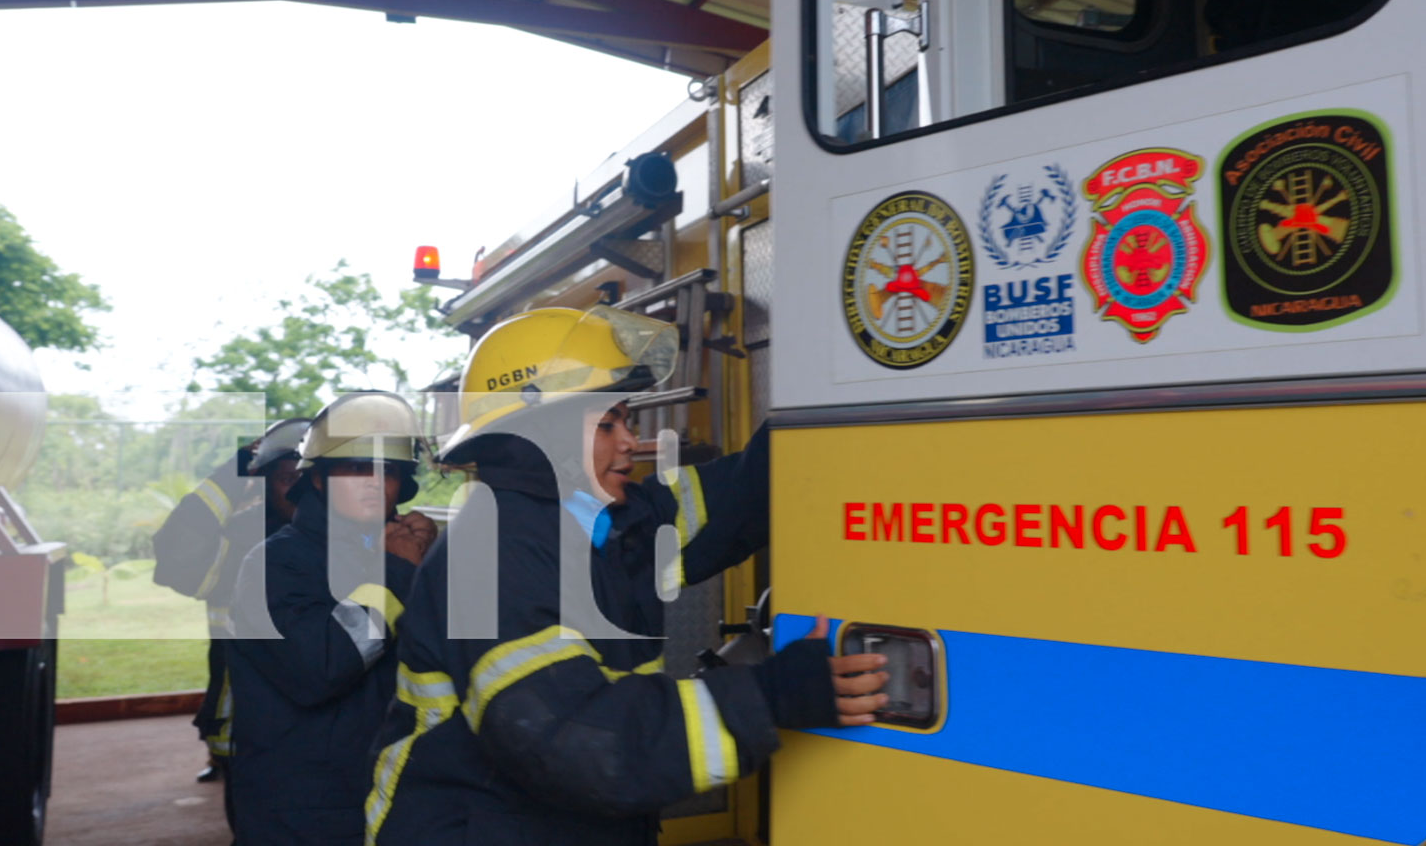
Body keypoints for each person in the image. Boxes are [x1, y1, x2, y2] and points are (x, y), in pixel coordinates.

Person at [364, 306, 889, 846]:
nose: (630, 443)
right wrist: (769, 696)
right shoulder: (493, 551)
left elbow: (745, 493)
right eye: (606, 423)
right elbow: (575, 739)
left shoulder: (607, 523)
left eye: (628, 421)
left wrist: (844, 379)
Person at [226, 391, 436, 845]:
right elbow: (318, 666)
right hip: (302, 813)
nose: (373, 483)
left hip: (382, 795)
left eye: (389, 471)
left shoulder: (392, 556)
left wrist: (426, 566)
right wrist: (396, 573)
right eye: (356, 468)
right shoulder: (274, 564)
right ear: (317, 480)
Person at [151, 414, 309, 826]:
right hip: (254, 735)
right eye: (285, 478)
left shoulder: (372, 540)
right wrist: (239, 466)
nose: (300, 489)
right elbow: (177, 549)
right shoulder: (242, 541)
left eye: (309, 475)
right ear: (263, 483)